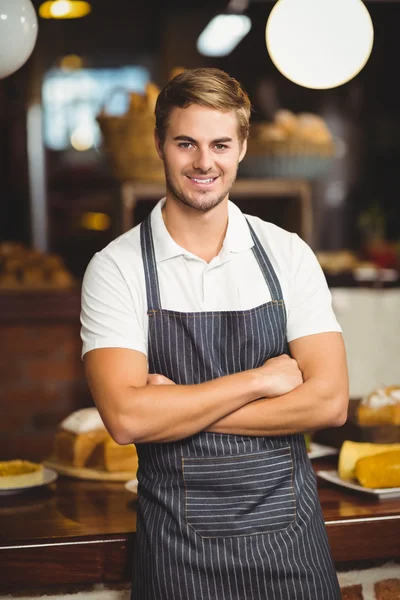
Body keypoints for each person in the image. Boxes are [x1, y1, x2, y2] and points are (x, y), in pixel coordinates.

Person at [81, 68, 348, 600]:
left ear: (242, 147)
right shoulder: (116, 268)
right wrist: (257, 381)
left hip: (292, 551)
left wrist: (177, 409)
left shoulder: (287, 254)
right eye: (187, 143)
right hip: (177, 558)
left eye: (220, 144)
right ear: (160, 144)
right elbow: (128, 418)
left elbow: (330, 403)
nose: (205, 162)